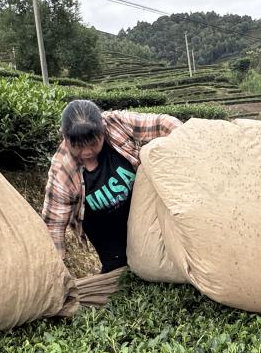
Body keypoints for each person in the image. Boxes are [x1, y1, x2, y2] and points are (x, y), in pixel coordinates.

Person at [42, 100, 181, 272]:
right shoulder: (62, 170)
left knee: (157, 256)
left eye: (93, 143)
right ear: (65, 137)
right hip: (103, 229)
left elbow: (161, 123)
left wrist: (185, 138)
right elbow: (54, 224)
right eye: (78, 147)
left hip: (138, 209)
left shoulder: (115, 123)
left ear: (102, 128)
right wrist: (55, 268)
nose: (87, 152)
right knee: (120, 269)